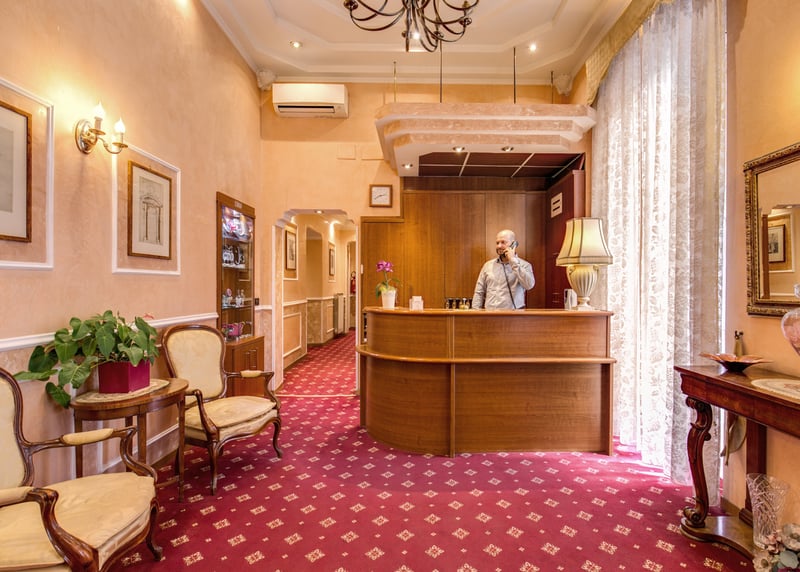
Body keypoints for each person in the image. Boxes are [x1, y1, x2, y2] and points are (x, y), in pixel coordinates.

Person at [471, 229, 535, 310]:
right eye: (497, 243)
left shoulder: (524, 265)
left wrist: (513, 261)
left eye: (503, 242)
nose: (499, 246)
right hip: (490, 314)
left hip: (514, 314)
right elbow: (479, 292)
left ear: (513, 244)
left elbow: (529, 285)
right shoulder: (487, 266)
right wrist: (475, 312)